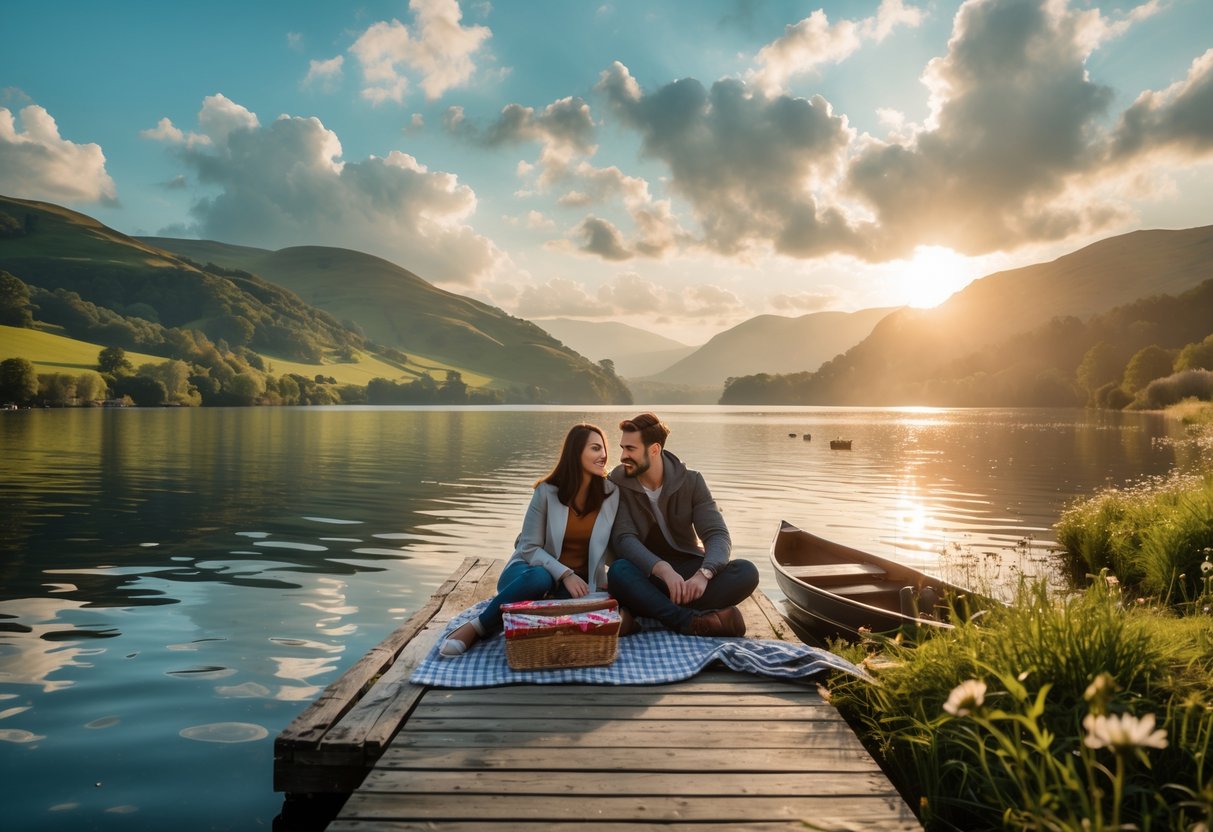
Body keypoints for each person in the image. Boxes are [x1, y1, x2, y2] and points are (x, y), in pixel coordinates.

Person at [440, 423, 619, 656]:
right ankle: (476, 628)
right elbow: (529, 546)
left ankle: (517, 618)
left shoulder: (611, 493)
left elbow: (613, 543)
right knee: (540, 579)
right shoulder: (546, 491)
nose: (603, 455)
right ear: (576, 453)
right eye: (595, 449)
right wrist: (565, 574)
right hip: (528, 572)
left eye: (603, 448)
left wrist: (614, 573)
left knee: (570, 608)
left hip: (577, 585)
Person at [607, 412, 759, 637]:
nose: (622, 456)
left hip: (688, 573)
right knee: (619, 571)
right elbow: (624, 539)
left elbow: (716, 534)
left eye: (630, 449)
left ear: (655, 449)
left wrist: (704, 574)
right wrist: (662, 569)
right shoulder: (616, 482)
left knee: (746, 571)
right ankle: (691, 621)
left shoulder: (692, 480)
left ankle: (654, 612)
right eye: (622, 447)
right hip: (647, 575)